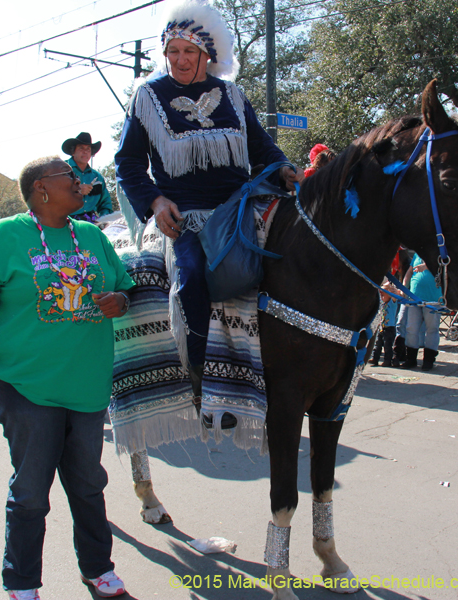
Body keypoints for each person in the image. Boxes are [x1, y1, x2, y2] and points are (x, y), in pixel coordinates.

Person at [0, 156, 135, 600]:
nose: (80, 182)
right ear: (40, 189)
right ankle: (21, 582)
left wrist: (120, 301)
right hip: (25, 385)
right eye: (69, 177)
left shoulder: (91, 236)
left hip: (87, 387)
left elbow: (125, 288)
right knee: (31, 490)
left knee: (89, 485)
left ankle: (98, 569)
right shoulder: (5, 236)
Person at [115, 0, 301, 427]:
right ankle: (198, 376)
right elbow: (127, 165)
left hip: (240, 209)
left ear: (207, 54)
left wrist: (284, 167)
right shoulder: (147, 96)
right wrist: (156, 202)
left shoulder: (233, 95)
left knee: (292, 259)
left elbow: (261, 147)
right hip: (185, 217)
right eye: (173, 51)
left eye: (189, 51)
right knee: (194, 274)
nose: (180, 60)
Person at [396, 250, 441, 371]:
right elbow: (409, 272)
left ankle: (429, 360)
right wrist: (404, 287)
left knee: (432, 329)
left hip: (433, 299)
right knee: (411, 328)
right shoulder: (417, 255)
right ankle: (411, 359)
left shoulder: (439, 254)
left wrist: (426, 266)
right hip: (415, 297)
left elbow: (443, 269)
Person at [62, 132, 114, 223]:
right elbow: (51, 196)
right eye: (81, 148)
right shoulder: (61, 171)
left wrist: (104, 220)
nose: (85, 152)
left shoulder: (97, 177)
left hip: (91, 223)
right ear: (73, 151)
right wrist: (76, 190)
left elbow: (105, 204)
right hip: (64, 222)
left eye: (88, 149)